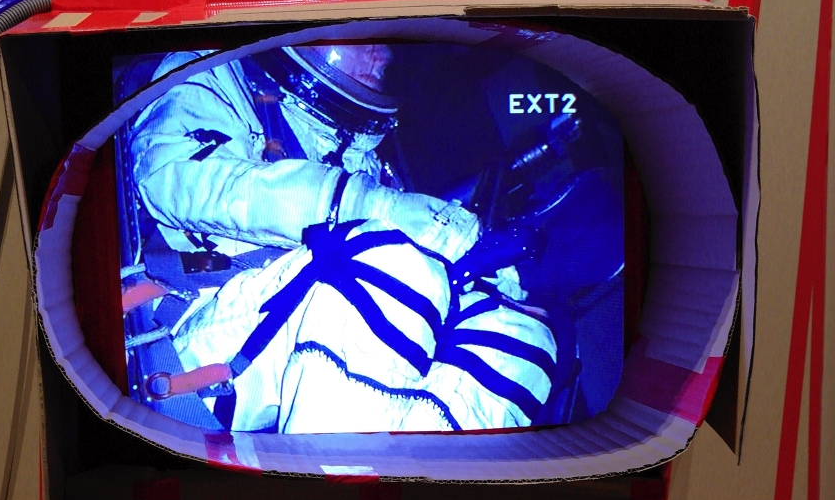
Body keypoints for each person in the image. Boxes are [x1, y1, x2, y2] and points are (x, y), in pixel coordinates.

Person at [125, 43, 557, 433]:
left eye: (386, 43)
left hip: (292, 350)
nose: (384, 56)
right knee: (391, 260)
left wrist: (490, 280)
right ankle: (330, 477)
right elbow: (175, 178)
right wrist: (365, 204)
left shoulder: (366, 165)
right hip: (198, 333)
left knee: (517, 336)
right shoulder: (213, 76)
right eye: (365, 38)